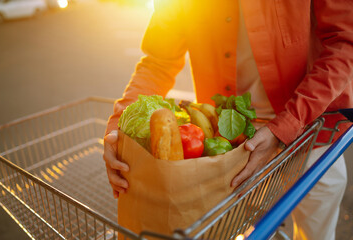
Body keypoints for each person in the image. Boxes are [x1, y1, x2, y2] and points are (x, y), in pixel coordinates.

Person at [103, 0, 353, 239]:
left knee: (316, 232)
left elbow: (344, 42)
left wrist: (284, 126)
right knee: (229, 231)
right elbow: (158, 61)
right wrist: (118, 128)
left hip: (312, 132)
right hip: (224, 146)